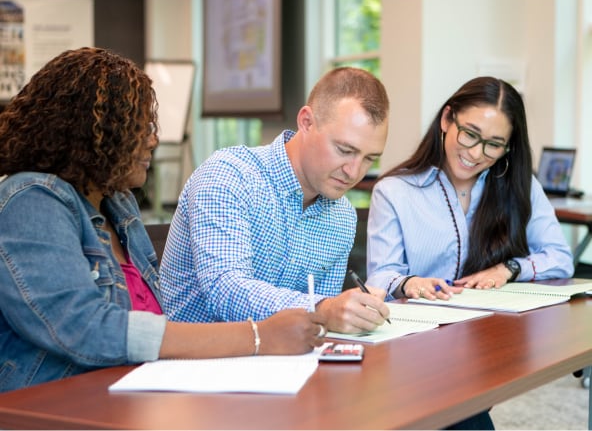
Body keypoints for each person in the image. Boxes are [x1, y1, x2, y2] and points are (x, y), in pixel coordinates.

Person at [0, 47, 326, 393]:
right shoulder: (32, 199)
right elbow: (86, 329)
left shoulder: (118, 204)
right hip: (54, 403)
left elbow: (153, 320)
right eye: (137, 127)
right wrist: (257, 336)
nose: (153, 139)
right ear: (91, 132)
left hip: (132, 391)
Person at [366, 76, 574, 430]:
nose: (476, 154)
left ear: (508, 148)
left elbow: (559, 257)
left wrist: (508, 269)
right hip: (416, 353)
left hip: (487, 348)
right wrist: (410, 283)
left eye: (494, 144)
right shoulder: (394, 191)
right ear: (448, 119)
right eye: (470, 135)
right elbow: (381, 276)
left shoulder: (521, 187)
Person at [160, 67, 391, 334]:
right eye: (344, 150)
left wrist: (349, 316)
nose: (354, 172)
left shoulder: (342, 217)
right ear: (306, 122)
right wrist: (323, 309)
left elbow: (318, 328)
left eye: (369, 158)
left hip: (279, 355)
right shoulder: (229, 176)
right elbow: (225, 290)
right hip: (193, 354)